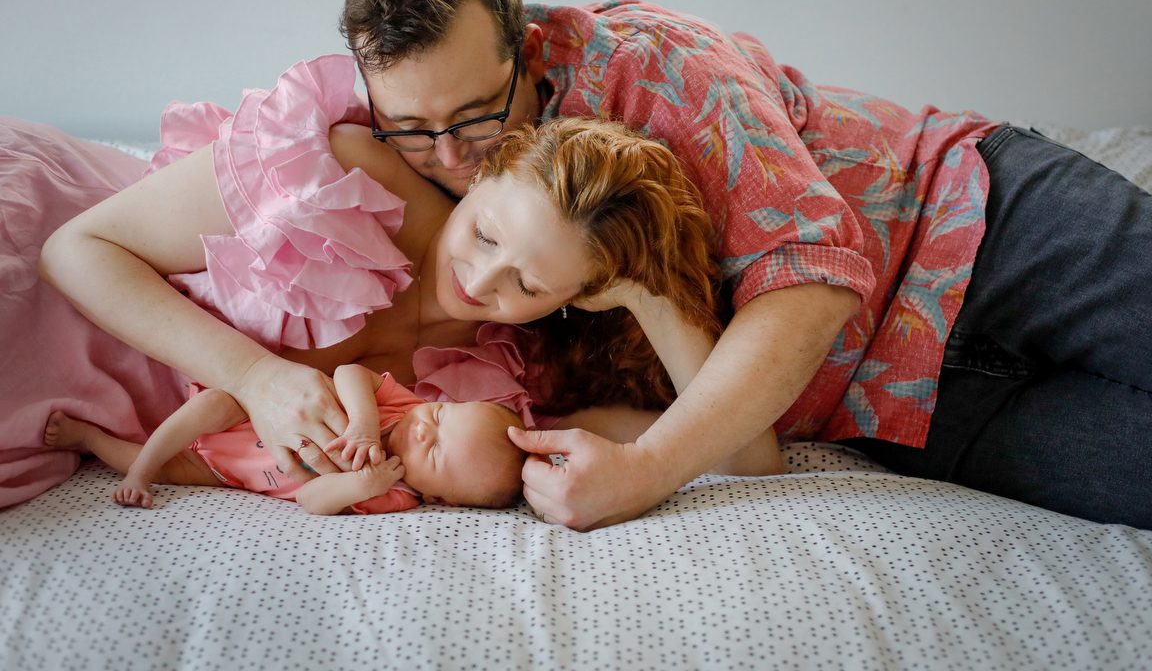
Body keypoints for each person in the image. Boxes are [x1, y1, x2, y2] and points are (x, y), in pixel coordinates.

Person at [330, 0, 1152, 539]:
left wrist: (649, 470)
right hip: (908, 403)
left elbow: (811, 278)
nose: (446, 155)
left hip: (982, 223)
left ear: (523, 49)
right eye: (410, 126)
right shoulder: (427, 209)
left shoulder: (653, 63)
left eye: (475, 115)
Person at [15, 106, 781, 511]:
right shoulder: (347, 182)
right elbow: (73, 252)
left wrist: (645, 290)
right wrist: (256, 376)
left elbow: (746, 458)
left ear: (577, 299)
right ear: (484, 174)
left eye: (530, 286)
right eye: (484, 233)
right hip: (65, 260)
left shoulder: (499, 384)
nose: (481, 283)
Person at [43, 364, 528, 514]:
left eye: (435, 450)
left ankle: (90, 439)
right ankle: (140, 472)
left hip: (229, 472)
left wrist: (363, 486)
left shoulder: (394, 495)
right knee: (211, 406)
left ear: (438, 496)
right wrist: (361, 421)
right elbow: (348, 372)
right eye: (440, 413)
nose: (425, 428)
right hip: (245, 418)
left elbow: (313, 501)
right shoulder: (400, 405)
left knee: (179, 470)